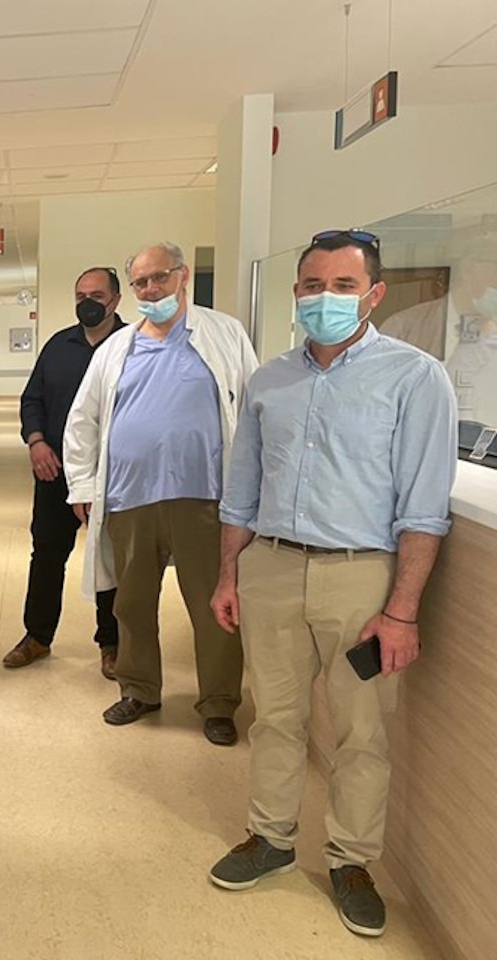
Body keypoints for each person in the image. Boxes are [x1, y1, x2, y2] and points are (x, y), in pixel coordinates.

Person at [208, 230, 457, 938]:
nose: (326, 299)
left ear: (374, 294)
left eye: (343, 287)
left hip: (362, 577)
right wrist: (229, 575)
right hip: (272, 569)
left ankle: (350, 861)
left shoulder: (415, 378)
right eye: (314, 286)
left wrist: (402, 611)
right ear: (296, 294)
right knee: (275, 717)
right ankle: (271, 838)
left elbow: (423, 509)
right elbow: (241, 493)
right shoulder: (270, 381)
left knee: (361, 731)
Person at [64, 242, 257, 746]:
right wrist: (82, 485)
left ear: (183, 275)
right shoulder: (116, 349)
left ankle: (219, 702)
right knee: (131, 603)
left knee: (214, 605)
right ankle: (139, 689)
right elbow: (82, 421)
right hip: (129, 498)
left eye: (160, 278)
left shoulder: (225, 334)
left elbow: (253, 411)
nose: (151, 290)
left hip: (205, 498)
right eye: (141, 282)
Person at [6, 267, 127, 677]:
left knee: (111, 559)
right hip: (55, 472)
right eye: (80, 296)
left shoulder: (133, 345)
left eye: (96, 296)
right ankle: (37, 636)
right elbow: (32, 400)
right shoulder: (58, 346)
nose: (87, 303)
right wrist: (36, 441)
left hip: (112, 476)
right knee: (46, 554)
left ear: (116, 299)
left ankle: (112, 643)